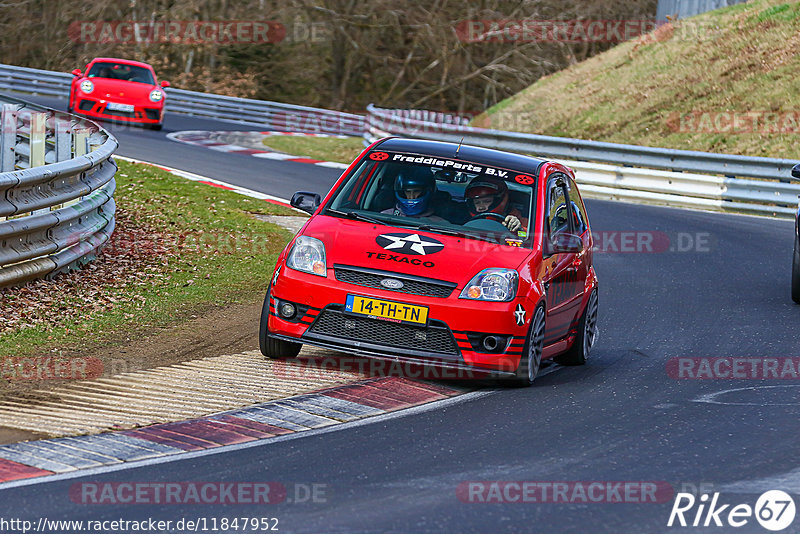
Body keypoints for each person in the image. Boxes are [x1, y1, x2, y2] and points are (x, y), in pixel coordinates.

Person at [463, 176, 527, 231]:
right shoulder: (461, 217)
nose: (481, 207)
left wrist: (519, 228)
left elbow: (531, 237)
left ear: (498, 200)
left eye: (487, 201)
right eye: (477, 202)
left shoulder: (519, 221)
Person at [382, 171, 447, 222]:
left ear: (426, 191)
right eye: (407, 192)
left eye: (416, 191)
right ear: (402, 192)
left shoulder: (439, 223)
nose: (411, 197)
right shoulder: (384, 216)